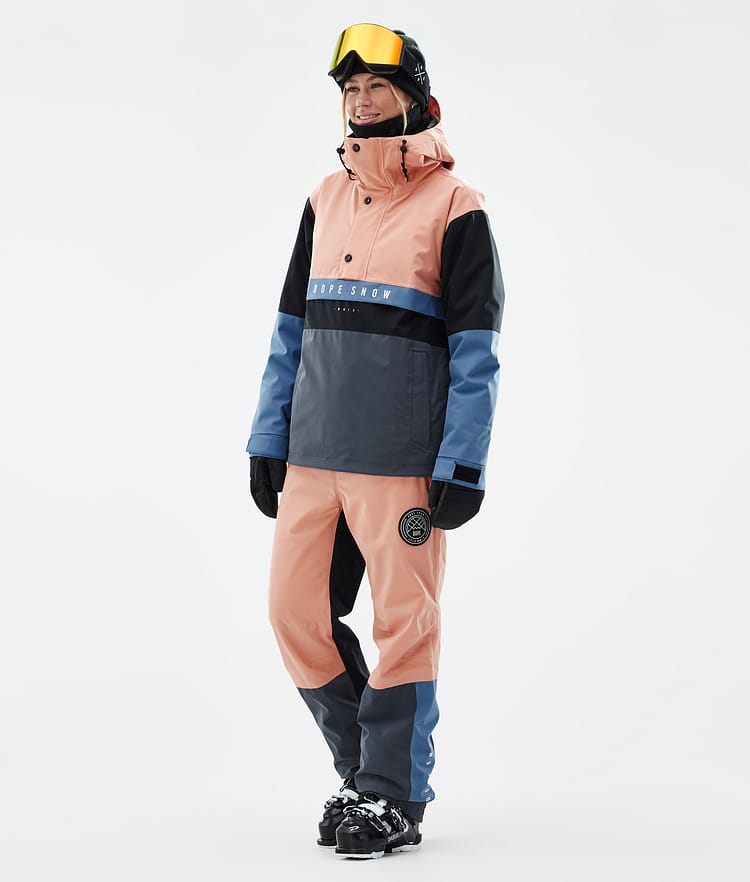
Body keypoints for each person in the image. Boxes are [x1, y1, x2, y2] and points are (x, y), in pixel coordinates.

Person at [246, 23, 505, 859]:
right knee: (294, 614)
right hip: (313, 454)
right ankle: (368, 773)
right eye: (350, 90)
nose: (359, 102)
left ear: (414, 97)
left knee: (404, 624)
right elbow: (290, 330)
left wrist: (462, 461)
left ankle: (393, 795)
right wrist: (268, 435)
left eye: (376, 88)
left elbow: (476, 352)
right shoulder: (324, 198)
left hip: (400, 464)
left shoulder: (457, 206)